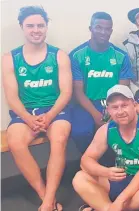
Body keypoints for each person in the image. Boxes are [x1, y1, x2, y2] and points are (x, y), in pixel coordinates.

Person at [2, 6, 72, 211]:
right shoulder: (10, 58)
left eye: (40, 25)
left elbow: (66, 92)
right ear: (22, 27)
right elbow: (11, 96)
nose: (36, 30)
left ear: (46, 27)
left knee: (59, 138)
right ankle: (46, 198)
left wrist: (49, 116)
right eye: (30, 25)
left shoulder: (59, 55)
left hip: (55, 110)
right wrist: (27, 118)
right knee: (15, 141)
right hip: (25, 113)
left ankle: (48, 200)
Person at [72, 85, 139, 211]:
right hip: (122, 178)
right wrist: (105, 172)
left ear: (134, 105)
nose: (120, 111)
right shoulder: (106, 129)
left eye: (124, 105)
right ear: (108, 110)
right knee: (80, 178)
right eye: (115, 107)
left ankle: (103, 207)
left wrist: (120, 200)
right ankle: (109, 208)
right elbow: (85, 161)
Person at [70, 12, 134, 154]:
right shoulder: (77, 55)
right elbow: (78, 92)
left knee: (120, 126)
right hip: (86, 103)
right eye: (98, 27)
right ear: (90, 28)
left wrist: (113, 109)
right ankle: (89, 164)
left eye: (107, 29)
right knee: (80, 132)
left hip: (113, 102)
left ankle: (117, 164)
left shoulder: (120, 55)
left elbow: (122, 89)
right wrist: (95, 113)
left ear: (111, 31)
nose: (103, 32)